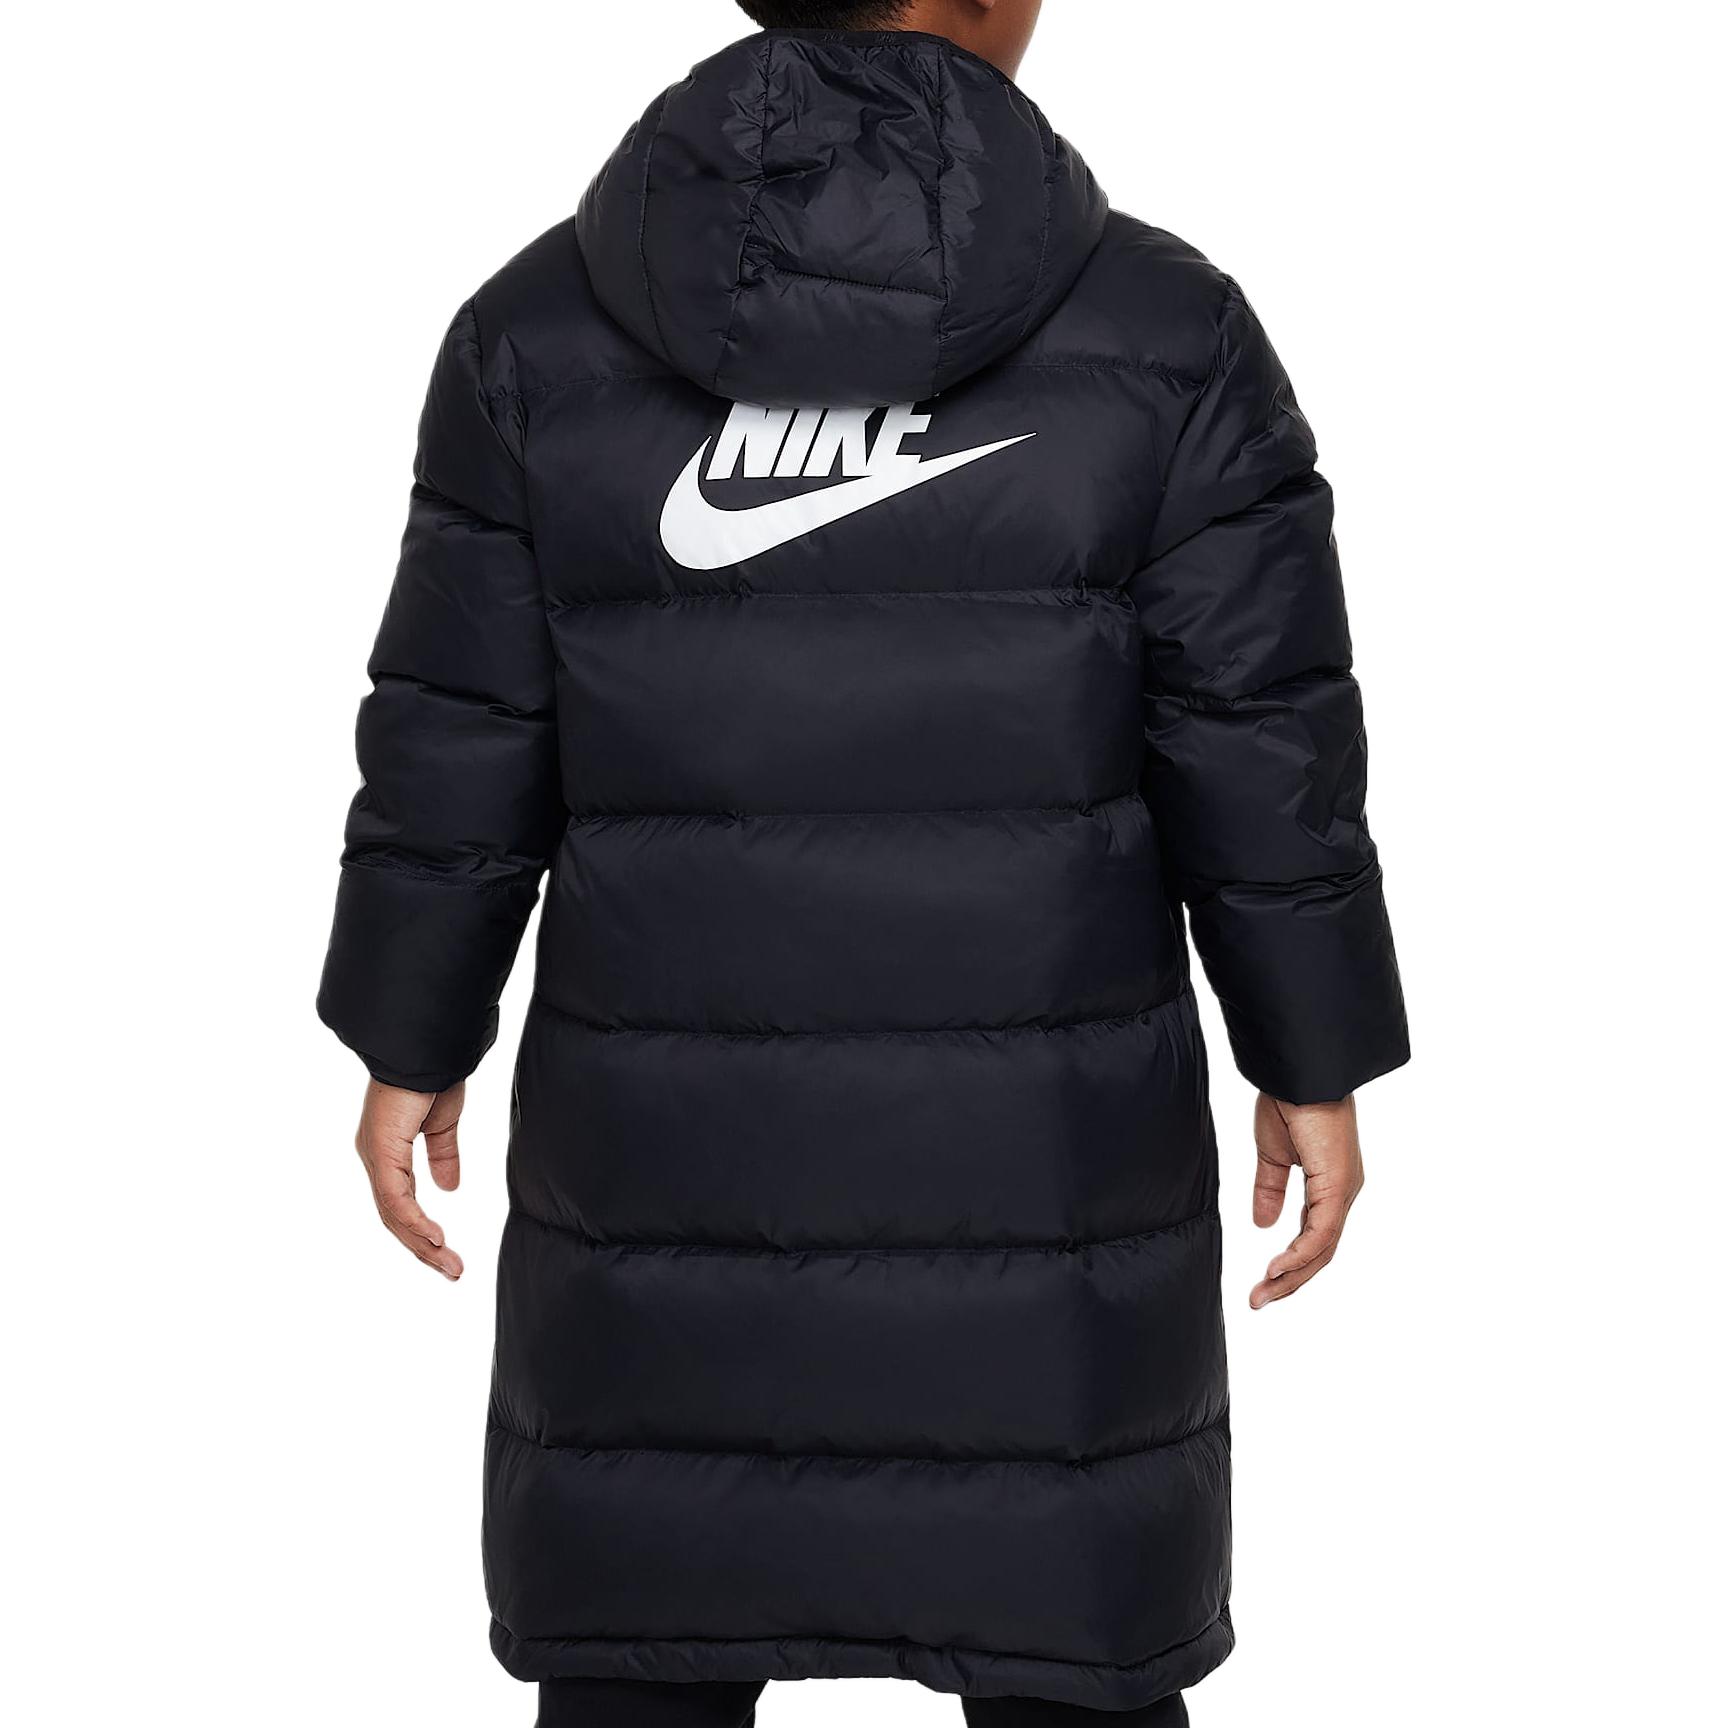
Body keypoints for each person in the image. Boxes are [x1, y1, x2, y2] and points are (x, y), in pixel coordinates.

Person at [317, 0, 1409, 1722]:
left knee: (647, 1624)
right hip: (1043, 1184)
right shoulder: (1166, 333)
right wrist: (1313, 1051)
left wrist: (408, 1029)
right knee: (1061, 1634)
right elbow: (1262, 745)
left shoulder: (533, 333)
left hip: (663, 1176)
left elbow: (458, 733)